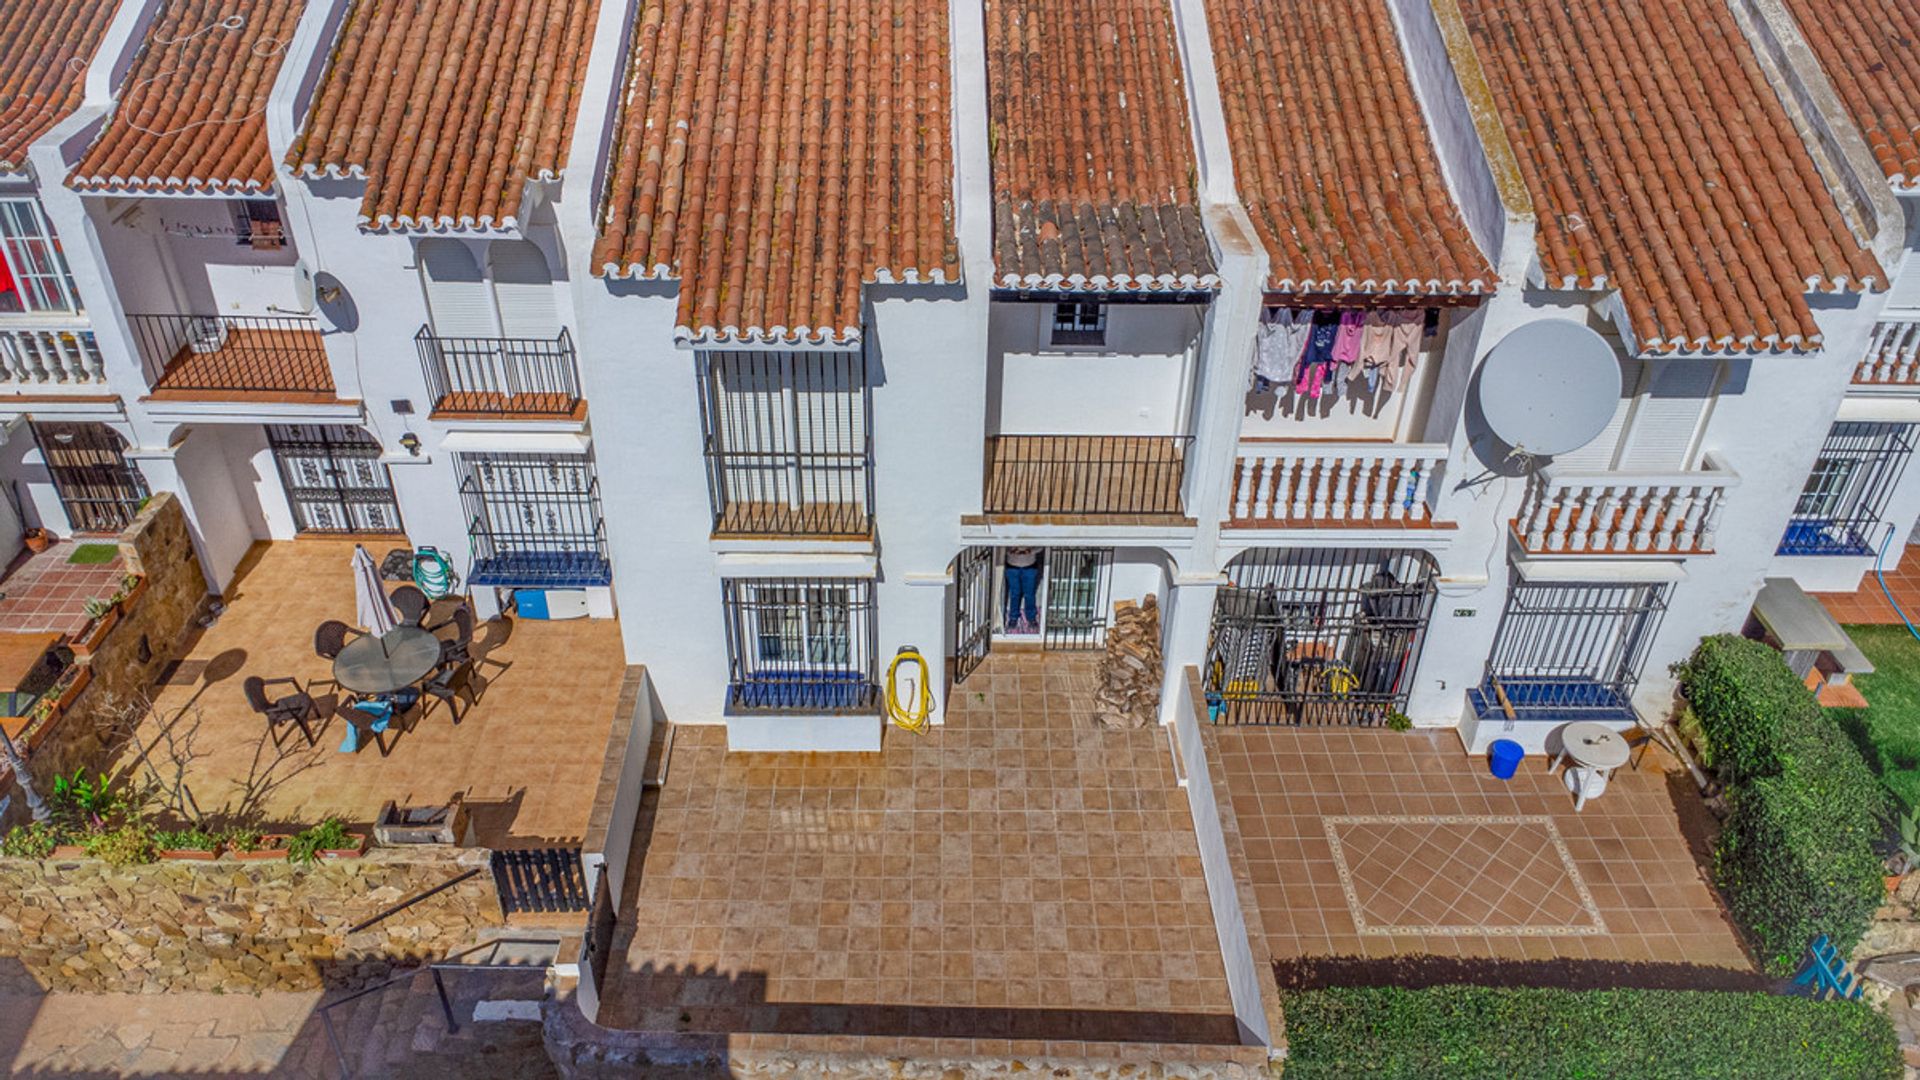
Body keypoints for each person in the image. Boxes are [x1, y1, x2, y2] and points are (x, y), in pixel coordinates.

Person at [1004, 547, 1042, 634]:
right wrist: (1011, 550)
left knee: (1029, 594)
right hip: (1012, 566)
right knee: (1014, 593)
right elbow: (1001, 545)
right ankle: (1013, 618)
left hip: (1030, 566)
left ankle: (1031, 618)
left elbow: (1041, 545)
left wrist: (1030, 550)